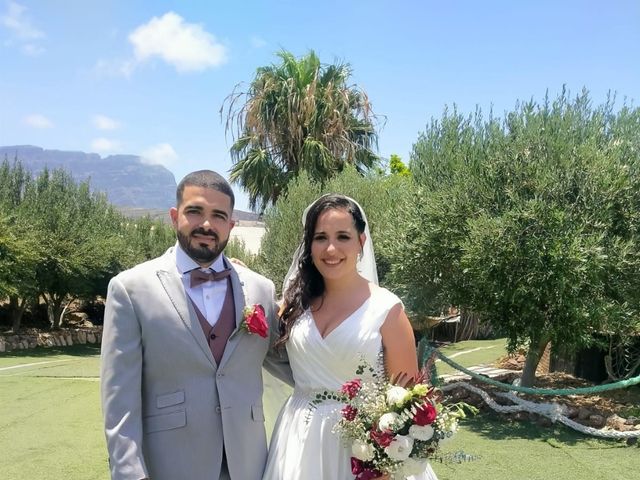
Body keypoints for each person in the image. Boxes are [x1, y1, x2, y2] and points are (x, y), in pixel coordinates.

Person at [100, 170, 291, 480]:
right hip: (171, 465)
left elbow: (290, 364)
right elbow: (119, 400)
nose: (206, 224)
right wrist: (129, 473)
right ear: (175, 217)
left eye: (218, 216)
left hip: (249, 464)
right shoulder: (130, 289)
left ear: (231, 224)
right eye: (195, 211)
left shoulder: (260, 289)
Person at [263, 194, 438, 480]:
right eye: (320, 237)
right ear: (309, 244)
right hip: (297, 440)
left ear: (361, 242)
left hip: (361, 448)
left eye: (342, 236)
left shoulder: (387, 310)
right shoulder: (295, 305)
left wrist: (386, 465)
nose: (331, 248)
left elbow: (407, 402)